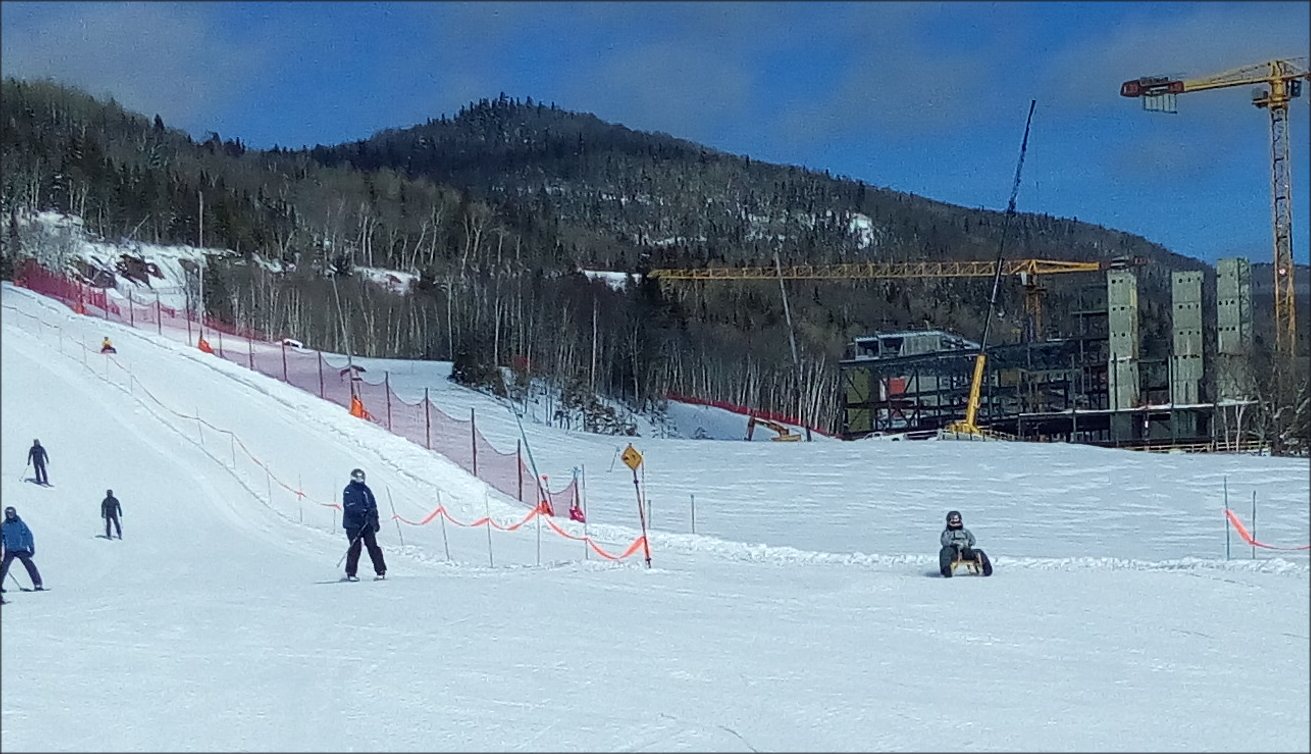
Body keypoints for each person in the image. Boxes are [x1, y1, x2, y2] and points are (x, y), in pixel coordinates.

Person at [342, 468, 386, 581]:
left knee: (372, 546)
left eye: (361, 478)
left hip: (367, 524)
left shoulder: (366, 490)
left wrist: (374, 520)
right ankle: (351, 572)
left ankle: (380, 570)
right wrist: (362, 513)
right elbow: (350, 506)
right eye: (358, 478)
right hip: (353, 524)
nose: (360, 480)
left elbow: (373, 505)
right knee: (355, 547)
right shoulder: (349, 490)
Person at [1, 506, 44, 591]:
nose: (10, 515)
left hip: (21, 549)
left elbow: (28, 535)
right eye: (8, 513)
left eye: (12, 513)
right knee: (3, 568)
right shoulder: (3, 526)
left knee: (30, 566)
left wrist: (31, 547)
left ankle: (38, 584)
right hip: (10, 550)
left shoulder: (21, 524)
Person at [939, 510, 992, 577]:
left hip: (966, 551)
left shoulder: (965, 531)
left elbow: (973, 540)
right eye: (953, 522)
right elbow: (944, 541)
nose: (955, 524)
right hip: (953, 553)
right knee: (945, 552)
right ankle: (946, 569)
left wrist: (967, 543)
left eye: (957, 522)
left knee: (979, 552)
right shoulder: (947, 533)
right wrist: (953, 543)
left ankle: (986, 566)